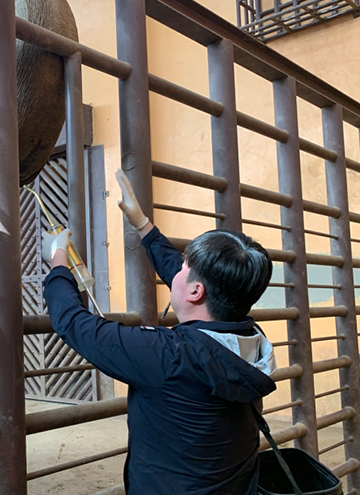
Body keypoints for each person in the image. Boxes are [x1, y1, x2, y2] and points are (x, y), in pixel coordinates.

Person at [40, 169, 278, 495]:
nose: (175, 269)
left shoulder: (168, 356)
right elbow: (192, 282)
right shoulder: (251, 339)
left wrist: (57, 261)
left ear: (195, 291)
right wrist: (142, 225)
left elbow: (75, 324)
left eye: (182, 266)